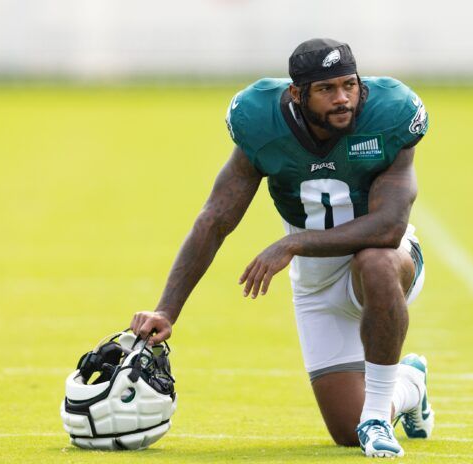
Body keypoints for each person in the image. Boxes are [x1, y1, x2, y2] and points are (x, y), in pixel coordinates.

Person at [130, 38, 434, 458]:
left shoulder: (389, 113)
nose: (343, 98)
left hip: (390, 259)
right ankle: (410, 382)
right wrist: (167, 309)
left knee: (375, 262)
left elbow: (388, 227)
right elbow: (215, 218)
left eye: (349, 84)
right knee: (346, 430)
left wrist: (294, 242)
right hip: (317, 282)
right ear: (297, 94)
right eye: (326, 89)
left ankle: (379, 417)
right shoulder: (262, 123)